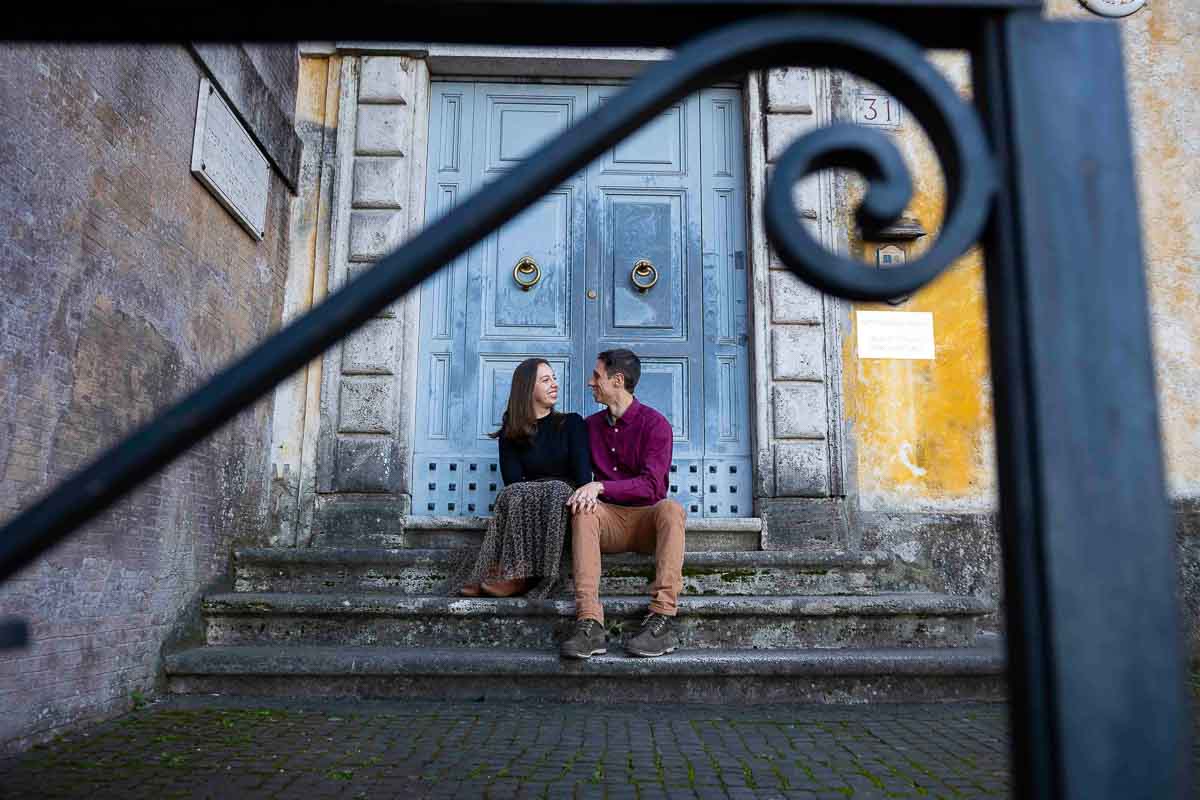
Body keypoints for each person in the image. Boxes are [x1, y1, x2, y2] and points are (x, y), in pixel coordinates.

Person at [559, 349, 686, 659]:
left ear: (617, 380)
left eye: (597, 376)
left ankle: (662, 618)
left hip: (646, 524)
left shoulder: (655, 425)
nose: (591, 382)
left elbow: (652, 486)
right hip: (608, 523)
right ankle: (589, 623)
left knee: (671, 509)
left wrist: (600, 484)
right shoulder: (588, 427)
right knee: (584, 510)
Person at [454, 358, 591, 598]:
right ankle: (498, 571)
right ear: (528, 388)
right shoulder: (512, 430)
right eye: (546, 380)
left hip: (563, 497)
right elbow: (513, 480)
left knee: (555, 489)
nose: (554, 384)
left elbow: (582, 477)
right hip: (528, 496)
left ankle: (521, 574)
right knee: (513, 493)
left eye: (554, 378)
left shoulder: (572, 423)